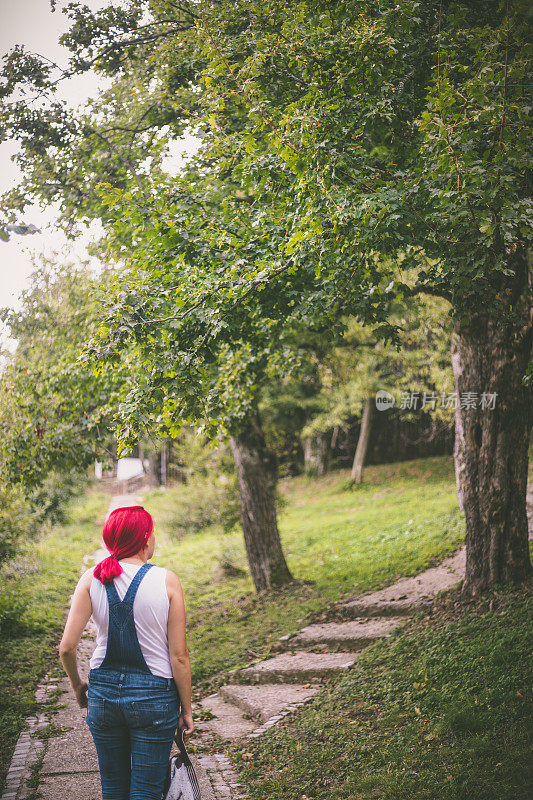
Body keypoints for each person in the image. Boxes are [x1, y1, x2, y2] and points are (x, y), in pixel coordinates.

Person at [58, 504, 194, 800]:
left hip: (103, 696)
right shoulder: (166, 580)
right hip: (154, 700)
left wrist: (79, 687)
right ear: (145, 538)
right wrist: (187, 709)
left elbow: (67, 648)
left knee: (113, 788)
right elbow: (179, 655)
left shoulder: (91, 578)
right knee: (146, 790)